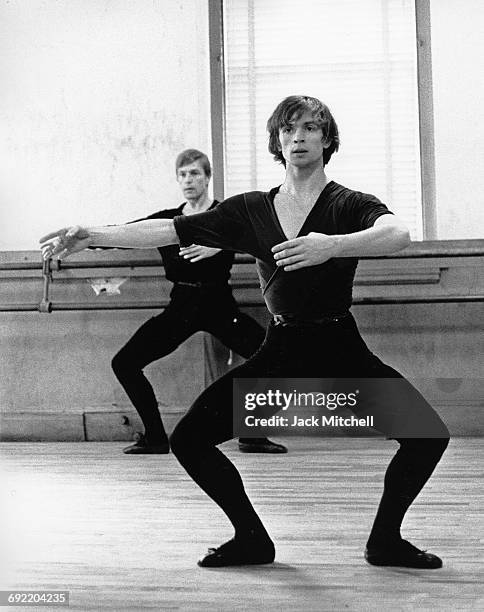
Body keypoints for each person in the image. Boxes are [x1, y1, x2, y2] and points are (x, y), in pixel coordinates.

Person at [40, 95, 449, 570]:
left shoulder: (349, 203)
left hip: (341, 351)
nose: (298, 137)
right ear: (277, 141)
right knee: (190, 439)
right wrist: (93, 233)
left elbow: (398, 234)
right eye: (288, 130)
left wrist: (330, 246)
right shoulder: (251, 210)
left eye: (311, 128)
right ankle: (252, 539)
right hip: (281, 355)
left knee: (427, 438)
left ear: (327, 139)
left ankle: (385, 541)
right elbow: (171, 230)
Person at [103, 148, 287, 455]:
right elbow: (124, 233)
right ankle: (156, 437)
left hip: (219, 306)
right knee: (124, 363)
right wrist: (84, 237)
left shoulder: (225, 214)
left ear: (207, 177)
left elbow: (263, 231)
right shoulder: (167, 221)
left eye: (195, 174)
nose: (188, 180)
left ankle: (253, 434)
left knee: (280, 361)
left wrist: (221, 243)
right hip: (181, 307)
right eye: (183, 174)